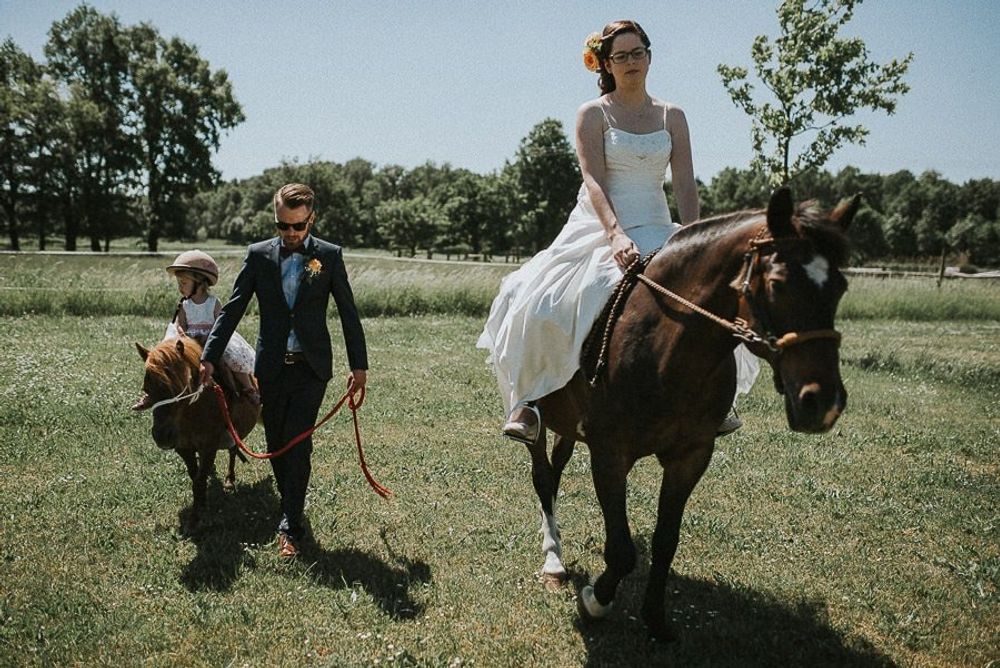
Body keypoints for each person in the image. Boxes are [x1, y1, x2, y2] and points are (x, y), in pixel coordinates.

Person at [477, 19, 758, 444]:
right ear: (605, 64)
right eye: (620, 56)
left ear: (649, 56)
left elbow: (684, 183)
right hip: (599, 222)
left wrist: (697, 242)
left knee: (708, 299)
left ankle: (712, 399)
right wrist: (615, 235)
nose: (631, 62)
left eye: (637, 53)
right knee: (543, 298)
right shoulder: (592, 114)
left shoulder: (673, 115)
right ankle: (531, 400)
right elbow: (594, 181)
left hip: (660, 225)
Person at [200, 183, 368, 558]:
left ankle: (291, 523)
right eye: (283, 226)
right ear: (274, 220)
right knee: (276, 444)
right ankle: (291, 510)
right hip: (272, 366)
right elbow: (234, 308)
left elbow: (348, 313)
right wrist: (209, 356)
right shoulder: (258, 256)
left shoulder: (329, 256)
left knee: (297, 442)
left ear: (312, 219)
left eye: (299, 226)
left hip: (312, 368)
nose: (291, 234)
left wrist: (359, 366)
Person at [163, 250, 258, 404]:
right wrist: (183, 336)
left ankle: (248, 388)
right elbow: (180, 324)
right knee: (167, 358)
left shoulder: (213, 303)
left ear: (199, 283)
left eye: (184, 283)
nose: (180, 287)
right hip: (190, 340)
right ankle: (161, 389)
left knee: (233, 359)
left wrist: (211, 337)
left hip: (211, 338)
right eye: (179, 283)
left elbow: (221, 324)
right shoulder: (184, 304)